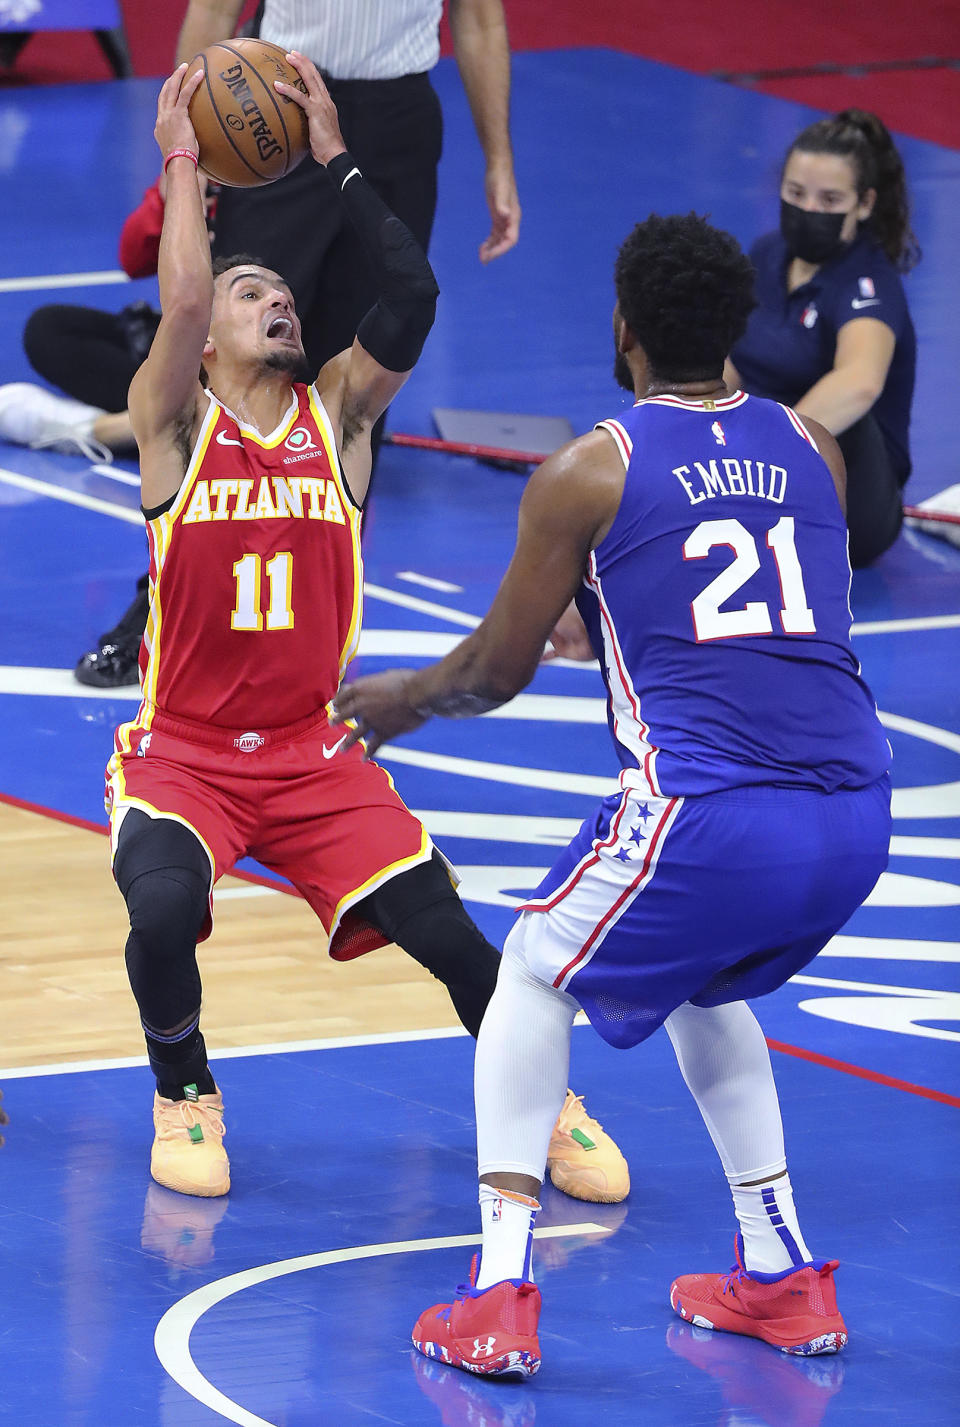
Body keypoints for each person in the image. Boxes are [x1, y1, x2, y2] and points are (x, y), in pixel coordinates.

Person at [332, 212, 893, 1376]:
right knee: (698, 980)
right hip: (853, 810)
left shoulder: (595, 464)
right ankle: (780, 1273)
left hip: (715, 811)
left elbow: (490, 669)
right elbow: (768, 611)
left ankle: (495, 1294)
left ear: (622, 327)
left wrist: (399, 698)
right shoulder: (812, 444)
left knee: (533, 968)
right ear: (736, 328)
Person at [107, 59, 625, 1207]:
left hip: (311, 747)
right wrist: (185, 157)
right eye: (251, 295)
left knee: (448, 932)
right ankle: (184, 1086)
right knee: (155, 910)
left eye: (281, 294)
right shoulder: (176, 423)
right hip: (186, 752)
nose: (274, 299)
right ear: (203, 343)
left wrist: (334, 152)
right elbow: (182, 301)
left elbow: (411, 293)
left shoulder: (337, 418)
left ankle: (543, 1099)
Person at [0, 167, 217, 688]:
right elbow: (132, 257)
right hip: (179, 349)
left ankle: (102, 431)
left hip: (229, 366)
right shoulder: (213, 165)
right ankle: (139, 423)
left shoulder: (286, 197)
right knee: (47, 328)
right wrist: (175, 192)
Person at [727, 108, 919, 568]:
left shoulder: (868, 282)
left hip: (854, 499)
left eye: (830, 200)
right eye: (796, 194)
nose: (809, 210)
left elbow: (860, 382)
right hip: (762, 470)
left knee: (846, 409)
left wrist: (759, 459)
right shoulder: (767, 253)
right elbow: (724, 359)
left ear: (864, 204)